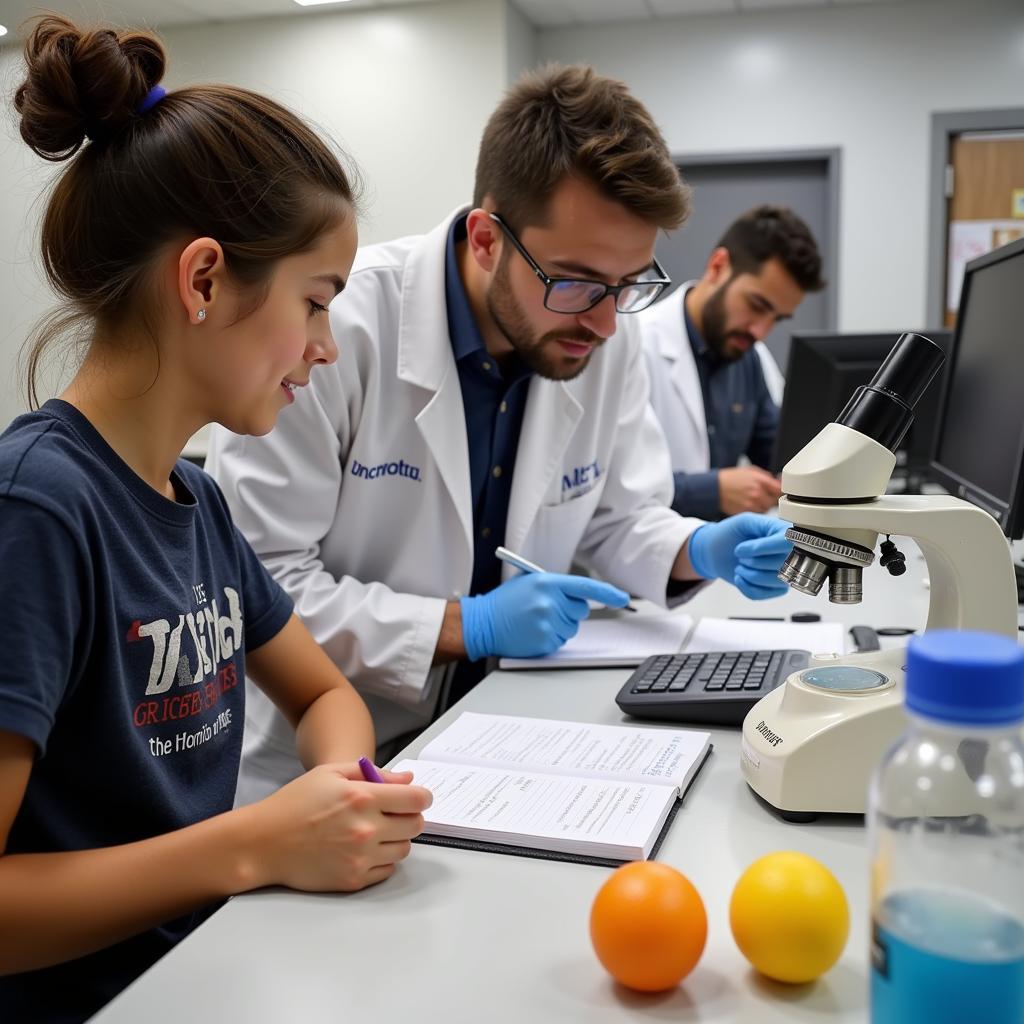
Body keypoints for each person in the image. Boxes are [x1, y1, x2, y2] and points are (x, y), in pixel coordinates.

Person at [206, 64, 794, 803]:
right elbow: (259, 586)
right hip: (317, 761)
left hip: (510, 732)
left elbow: (615, 520)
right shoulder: (338, 329)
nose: (606, 321)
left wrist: (691, 548)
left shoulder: (605, 336)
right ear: (486, 239)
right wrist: (464, 626)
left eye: (628, 284)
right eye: (576, 281)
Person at [0, 17, 431, 1022]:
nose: (326, 346)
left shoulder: (199, 505)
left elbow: (327, 694)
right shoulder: (38, 510)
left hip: (212, 966)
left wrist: (338, 791)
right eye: (316, 301)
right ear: (201, 280)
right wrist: (256, 841)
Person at [640, 206, 825, 520]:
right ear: (718, 266)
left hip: (717, 561)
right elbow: (611, 493)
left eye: (776, 319)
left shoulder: (749, 357)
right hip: (632, 565)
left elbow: (777, 454)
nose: (760, 331)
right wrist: (713, 491)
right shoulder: (637, 345)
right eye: (757, 305)